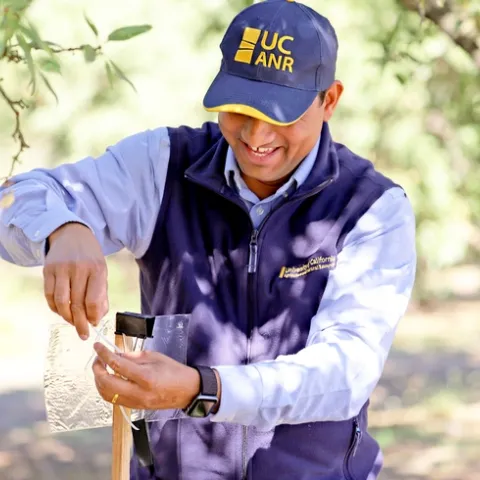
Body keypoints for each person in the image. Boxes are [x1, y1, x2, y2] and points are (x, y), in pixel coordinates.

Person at [0, 1, 416, 479]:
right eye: (241, 108)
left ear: (330, 100)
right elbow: (13, 200)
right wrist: (62, 229)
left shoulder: (370, 207)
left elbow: (345, 373)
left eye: (282, 113)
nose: (257, 135)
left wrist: (202, 389)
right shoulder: (163, 165)